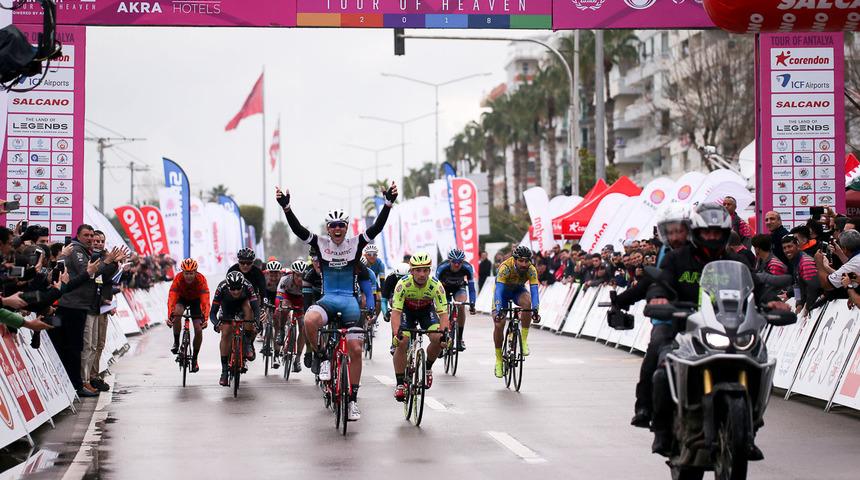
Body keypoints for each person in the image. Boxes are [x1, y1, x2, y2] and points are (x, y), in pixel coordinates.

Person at [648, 203, 786, 459]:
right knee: (662, 368)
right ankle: (663, 432)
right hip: (688, 327)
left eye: (717, 232)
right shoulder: (677, 258)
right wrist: (658, 299)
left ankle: (750, 427)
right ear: (697, 232)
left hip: (731, 328)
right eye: (707, 232)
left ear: (725, 233)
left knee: (761, 359)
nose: (712, 237)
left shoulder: (734, 260)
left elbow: (755, 285)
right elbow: (662, 283)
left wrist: (772, 300)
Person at [276, 182, 397, 421]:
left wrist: (388, 204)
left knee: (355, 349)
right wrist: (287, 207)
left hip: (349, 303)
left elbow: (378, 227)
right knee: (309, 319)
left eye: (341, 225)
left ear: (347, 227)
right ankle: (321, 356)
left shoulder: (356, 243)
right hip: (328, 300)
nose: (337, 229)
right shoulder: (321, 244)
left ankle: (352, 401)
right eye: (333, 226)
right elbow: (300, 231)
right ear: (328, 229)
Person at [611, 203, 691, 429]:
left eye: (680, 230)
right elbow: (653, 281)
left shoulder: (703, 250)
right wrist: (626, 299)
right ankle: (644, 407)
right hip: (668, 317)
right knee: (655, 352)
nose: (676, 236)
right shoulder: (666, 254)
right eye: (671, 231)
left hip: (703, 320)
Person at [390, 253, 449, 401]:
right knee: (403, 341)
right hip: (406, 312)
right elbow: (396, 313)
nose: (422, 274)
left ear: (430, 271)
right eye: (418, 270)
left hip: (426, 311)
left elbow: (443, 315)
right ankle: (400, 384)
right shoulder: (402, 284)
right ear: (411, 271)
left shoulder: (436, 285)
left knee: (439, 338)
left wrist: (445, 335)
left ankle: (428, 367)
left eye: (425, 270)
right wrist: (396, 333)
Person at [492, 245, 540, 378]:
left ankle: (523, 340)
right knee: (499, 324)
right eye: (521, 261)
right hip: (502, 294)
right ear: (515, 259)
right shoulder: (505, 267)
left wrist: (535, 309)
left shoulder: (531, 269)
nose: (524, 264)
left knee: (528, 303)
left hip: (518, 291)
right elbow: (498, 290)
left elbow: (534, 290)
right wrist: (498, 309)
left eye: (527, 261)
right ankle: (499, 359)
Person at [210, 271, 260, 386]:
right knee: (226, 332)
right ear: (228, 286)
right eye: (233, 289)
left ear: (242, 285)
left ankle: (247, 344)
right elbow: (212, 312)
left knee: (249, 310)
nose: (236, 291)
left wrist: (257, 322)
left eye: (238, 288)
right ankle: (224, 371)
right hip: (227, 307)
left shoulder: (248, 286)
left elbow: (255, 307)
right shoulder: (221, 288)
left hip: (243, 305)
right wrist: (217, 323)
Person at [166, 258, 210, 373]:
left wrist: (205, 318)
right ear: (182, 272)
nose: (189, 276)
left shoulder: (201, 280)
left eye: (191, 273)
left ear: (196, 272)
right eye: (186, 273)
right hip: (182, 299)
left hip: (196, 301)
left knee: (198, 330)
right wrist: (170, 315)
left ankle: (195, 359)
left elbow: (205, 300)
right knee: (177, 313)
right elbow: (172, 297)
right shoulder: (178, 278)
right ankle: (176, 342)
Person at [227, 248, 266, 359]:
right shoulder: (232, 270)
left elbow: (263, 293)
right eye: (242, 262)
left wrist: (262, 308)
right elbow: (226, 289)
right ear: (238, 261)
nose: (245, 265)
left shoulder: (257, 273)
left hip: (251, 299)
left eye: (248, 263)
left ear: (252, 262)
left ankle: (249, 343)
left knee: (254, 325)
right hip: (234, 298)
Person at [436, 248, 476, 351]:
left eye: (460, 262)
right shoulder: (442, 267)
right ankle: (442, 337)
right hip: (444, 289)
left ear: (463, 261)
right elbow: (435, 287)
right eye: (454, 262)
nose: (457, 265)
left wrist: (472, 303)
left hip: (459, 288)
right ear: (449, 261)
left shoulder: (467, 267)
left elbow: (471, 289)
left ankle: (459, 339)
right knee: (443, 310)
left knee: (461, 306)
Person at [276, 260, 309, 372]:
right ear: (293, 274)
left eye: (302, 276)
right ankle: (281, 331)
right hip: (288, 297)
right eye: (297, 276)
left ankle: (298, 358)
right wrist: (279, 308)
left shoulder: (308, 281)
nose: (300, 279)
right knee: (283, 308)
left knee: (303, 326)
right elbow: (278, 299)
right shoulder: (285, 279)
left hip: (302, 300)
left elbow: (311, 300)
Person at [781, 234, 821, 315]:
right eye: (784, 248)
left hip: (817, 305)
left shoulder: (805, 262)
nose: (787, 250)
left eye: (790, 246)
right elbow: (796, 285)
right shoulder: (795, 261)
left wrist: (807, 307)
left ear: (797, 246)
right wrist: (799, 304)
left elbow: (813, 287)